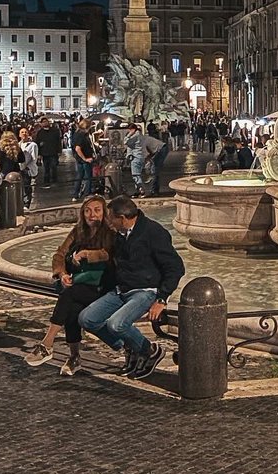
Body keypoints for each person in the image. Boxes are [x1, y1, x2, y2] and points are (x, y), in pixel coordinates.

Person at [77, 194, 185, 380]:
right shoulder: (119, 234)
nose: (107, 221)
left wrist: (162, 299)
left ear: (122, 218)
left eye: (110, 218)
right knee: (87, 319)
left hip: (145, 291)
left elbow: (175, 267)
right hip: (122, 289)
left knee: (116, 324)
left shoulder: (153, 232)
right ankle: (131, 347)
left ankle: (150, 351)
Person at [25, 195, 116, 375]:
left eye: (97, 210)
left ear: (104, 212)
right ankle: (74, 357)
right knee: (72, 308)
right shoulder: (78, 231)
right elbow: (59, 255)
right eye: (88, 211)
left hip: (103, 287)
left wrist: (86, 254)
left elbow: (110, 254)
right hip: (81, 285)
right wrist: (63, 273)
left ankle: (47, 344)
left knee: (68, 296)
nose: (92, 215)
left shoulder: (110, 232)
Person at [72, 119, 96, 201]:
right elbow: (78, 148)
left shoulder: (77, 133)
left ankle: (76, 194)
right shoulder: (81, 135)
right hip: (85, 159)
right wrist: (85, 158)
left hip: (80, 159)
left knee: (80, 176)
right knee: (88, 177)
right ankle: (87, 194)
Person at [35, 117, 62, 188]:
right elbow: (37, 143)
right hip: (45, 153)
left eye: (45, 121)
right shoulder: (40, 133)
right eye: (43, 122)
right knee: (46, 168)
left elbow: (58, 141)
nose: (45, 123)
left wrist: (59, 151)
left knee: (53, 167)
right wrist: (39, 154)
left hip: (53, 152)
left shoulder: (55, 131)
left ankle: (54, 180)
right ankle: (46, 181)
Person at [124, 122, 148, 196]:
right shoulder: (141, 135)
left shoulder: (135, 136)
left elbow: (126, 142)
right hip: (141, 156)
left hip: (136, 156)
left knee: (135, 175)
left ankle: (142, 189)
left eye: (129, 130)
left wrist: (128, 135)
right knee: (138, 174)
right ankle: (137, 190)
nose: (128, 131)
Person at [19, 127, 39, 209]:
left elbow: (34, 158)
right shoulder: (18, 144)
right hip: (19, 168)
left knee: (27, 186)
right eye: (22, 132)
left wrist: (27, 167)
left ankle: (27, 203)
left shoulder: (33, 145)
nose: (24, 133)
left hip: (27, 169)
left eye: (25, 132)